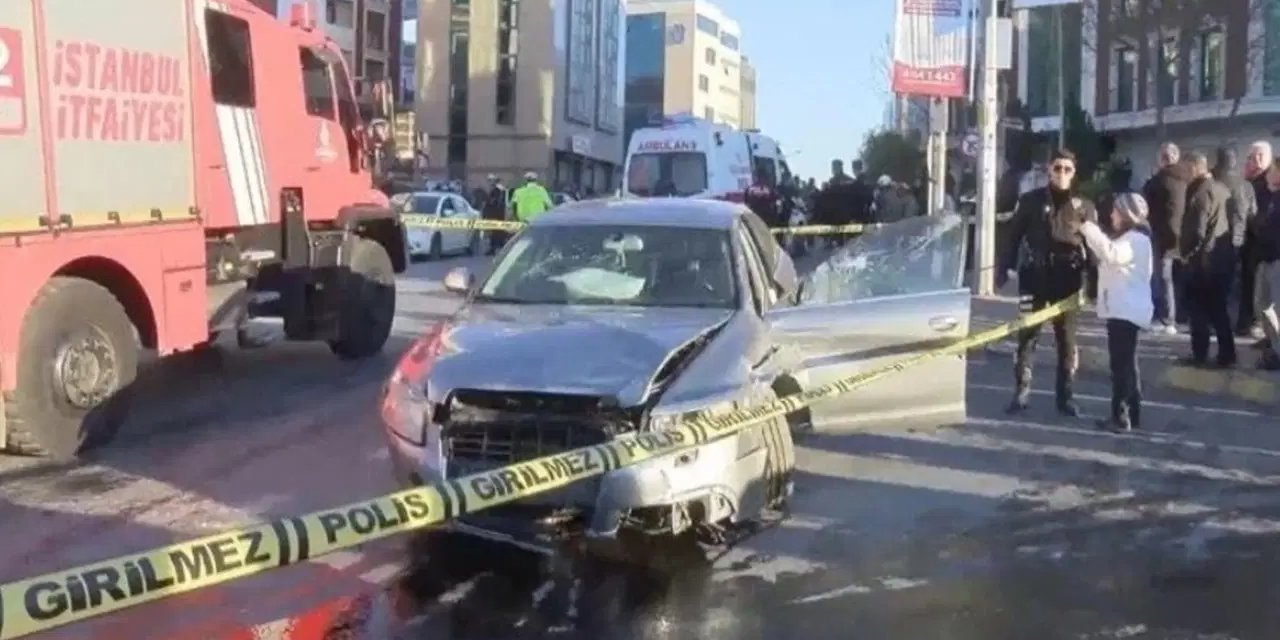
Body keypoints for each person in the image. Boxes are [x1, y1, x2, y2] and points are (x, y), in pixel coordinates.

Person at [1000, 148, 1097, 417]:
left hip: (1068, 282)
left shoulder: (1084, 206)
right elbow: (1013, 236)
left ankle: (1066, 397)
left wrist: (1094, 283)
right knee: (1027, 337)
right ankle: (1021, 393)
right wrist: (1004, 268)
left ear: (1074, 172)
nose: (1062, 174)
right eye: (1057, 168)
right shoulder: (1030, 201)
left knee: (1066, 341)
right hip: (1034, 278)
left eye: (1067, 169)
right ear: (1049, 170)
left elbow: (1094, 245)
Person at [1080, 193, 1154, 432]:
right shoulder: (1137, 239)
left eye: (1115, 211)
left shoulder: (1135, 240)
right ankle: (1133, 413)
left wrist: (1088, 227)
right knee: (1128, 364)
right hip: (1125, 309)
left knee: (1121, 366)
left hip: (1125, 311)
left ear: (1126, 215)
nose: (1111, 215)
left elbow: (1110, 253)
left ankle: (1121, 416)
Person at [1180, 151, 1237, 367]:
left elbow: (1197, 231)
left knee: (1199, 312)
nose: (1185, 173)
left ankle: (1200, 354)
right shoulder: (1221, 189)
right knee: (1218, 310)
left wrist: (1187, 255)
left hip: (1204, 262)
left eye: (1187, 168)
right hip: (1222, 258)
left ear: (1196, 167)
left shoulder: (1201, 193)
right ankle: (1227, 354)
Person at [1142, 142, 1187, 335]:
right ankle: (1181, 317)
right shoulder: (1188, 178)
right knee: (1180, 279)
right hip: (1186, 235)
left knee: (1163, 278)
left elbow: (1144, 202)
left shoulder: (1159, 180)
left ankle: (1167, 319)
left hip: (1164, 236)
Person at [1241, 141, 1273, 339]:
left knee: (1262, 288)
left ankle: (1258, 324)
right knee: (1249, 283)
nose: (1257, 160)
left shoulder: (1269, 182)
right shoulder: (1250, 181)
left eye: (1261, 155)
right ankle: (1249, 322)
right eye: (1253, 156)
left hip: (1263, 242)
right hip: (1250, 242)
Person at [1254, 159, 1280, 369]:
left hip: (1277, 258)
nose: (1268, 174)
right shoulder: (1270, 197)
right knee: (1262, 305)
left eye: (1272, 171)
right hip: (1265, 257)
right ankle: (1273, 342)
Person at [481, 175, 509, 255]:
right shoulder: (500, 189)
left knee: (496, 232)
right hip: (499, 214)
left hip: (496, 214)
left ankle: (494, 249)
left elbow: (493, 202)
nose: (489, 182)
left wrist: (487, 211)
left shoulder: (497, 190)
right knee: (498, 232)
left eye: (490, 181)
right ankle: (497, 248)